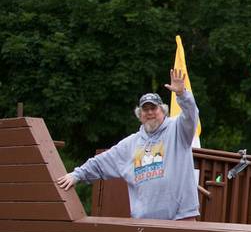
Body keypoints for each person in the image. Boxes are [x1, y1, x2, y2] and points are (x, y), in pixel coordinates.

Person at [56, 68, 200, 221]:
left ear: (163, 111)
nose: (150, 112)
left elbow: (191, 115)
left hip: (181, 219)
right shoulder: (130, 144)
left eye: (154, 108)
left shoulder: (178, 130)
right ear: (140, 115)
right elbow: (100, 163)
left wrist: (182, 94)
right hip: (143, 224)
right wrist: (77, 175)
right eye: (145, 109)